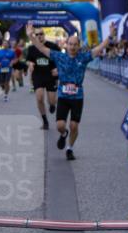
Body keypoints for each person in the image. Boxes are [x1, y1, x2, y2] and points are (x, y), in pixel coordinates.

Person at [26, 22, 114, 160]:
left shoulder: (83, 58)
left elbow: (99, 48)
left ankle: (70, 148)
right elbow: (41, 48)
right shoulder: (60, 57)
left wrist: (110, 36)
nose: (72, 47)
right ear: (66, 45)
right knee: (60, 126)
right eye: (70, 44)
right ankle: (63, 134)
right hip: (63, 95)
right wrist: (31, 36)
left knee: (74, 126)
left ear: (78, 46)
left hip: (77, 97)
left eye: (75, 44)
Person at [26, 28, 60, 129]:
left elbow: (60, 58)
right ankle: (45, 121)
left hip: (51, 76)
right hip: (38, 75)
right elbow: (28, 60)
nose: (39, 36)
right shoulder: (31, 48)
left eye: (41, 34)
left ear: (44, 35)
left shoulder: (52, 46)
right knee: (39, 98)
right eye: (36, 34)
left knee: (52, 101)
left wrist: (57, 68)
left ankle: (52, 104)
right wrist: (30, 64)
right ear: (34, 36)